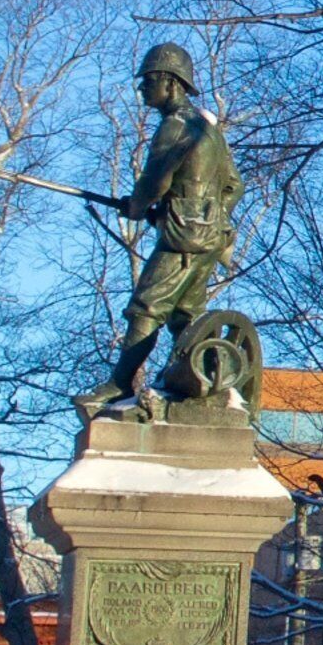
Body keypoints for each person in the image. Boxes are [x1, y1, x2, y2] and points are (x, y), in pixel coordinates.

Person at [80, 43, 242, 415]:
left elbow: (155, 181)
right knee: (186, 314)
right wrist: (210, 213)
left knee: (146, 308)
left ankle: (121, 383)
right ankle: (210, 381)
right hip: (209, 237)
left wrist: (138, 209)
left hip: (183, 239)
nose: (141, 89)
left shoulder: (176, 125)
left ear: (170, 82)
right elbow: (234, 185)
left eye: (148, 80)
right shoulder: (207, 127)